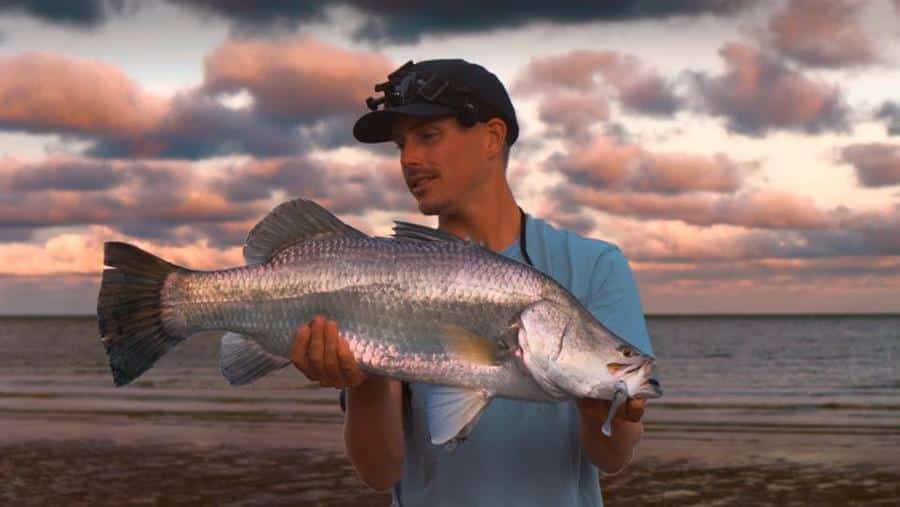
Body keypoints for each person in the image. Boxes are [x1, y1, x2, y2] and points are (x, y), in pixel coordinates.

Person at [288, 58, 655, 507]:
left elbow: (612, 457)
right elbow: (380, 472)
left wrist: (603, 411)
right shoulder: (381, 277)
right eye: (401, 144)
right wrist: (364, 383)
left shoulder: (595, 265)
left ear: (492, 136)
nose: (409, 159)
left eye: (429, 135)